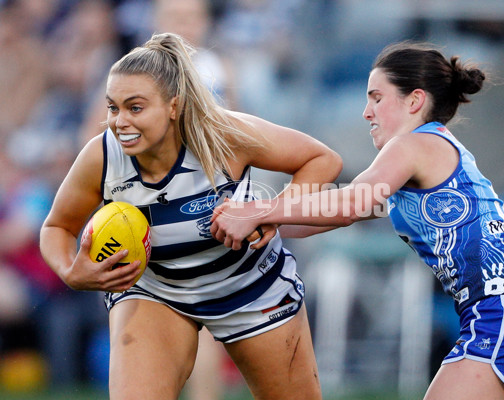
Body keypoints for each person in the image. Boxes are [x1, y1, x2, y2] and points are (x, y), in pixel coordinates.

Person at [210, 41, 504, 400]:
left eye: (376, 97)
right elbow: (330, 217)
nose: (366, 112)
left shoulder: (411, 146)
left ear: (415, 100)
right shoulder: (430, 153)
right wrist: (259, 223)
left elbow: (349, 204)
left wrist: (258, 211)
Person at [40, 32, 342, 400]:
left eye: (135, 108)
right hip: (155, 290)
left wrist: (270, 211)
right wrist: (71, 272)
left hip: (251, 286)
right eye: (112, 107)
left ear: (173, 105)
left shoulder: (224, 135)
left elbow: (322, 160)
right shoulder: (102, 156)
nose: (119, 121)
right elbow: (57, 226)